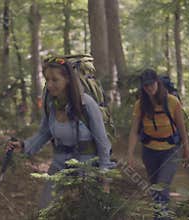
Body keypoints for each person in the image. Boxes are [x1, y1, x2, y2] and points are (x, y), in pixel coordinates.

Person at [7, 57, 115, 209]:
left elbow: (102, 142)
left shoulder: (86, 104)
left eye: (55, 80)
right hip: (59, 165)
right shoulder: (51, 104)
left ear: (68, 80)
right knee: (46, 210)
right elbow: (44, 133)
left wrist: (104, 176)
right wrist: (24, 146)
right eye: (47, 79)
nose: (49, 85)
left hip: (86, 168)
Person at [127, 69, 189, 219]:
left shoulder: (172, 101)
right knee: (155, 188)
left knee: (162, 187)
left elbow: (181, 127)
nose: (149, 88)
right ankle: (161, 215)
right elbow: (134, 130)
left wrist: (187, 148)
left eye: (151, 84)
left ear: (157, 82)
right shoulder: (140, 104)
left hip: (170, 150)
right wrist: (130, 153)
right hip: (149, 151)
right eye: (145, 86)